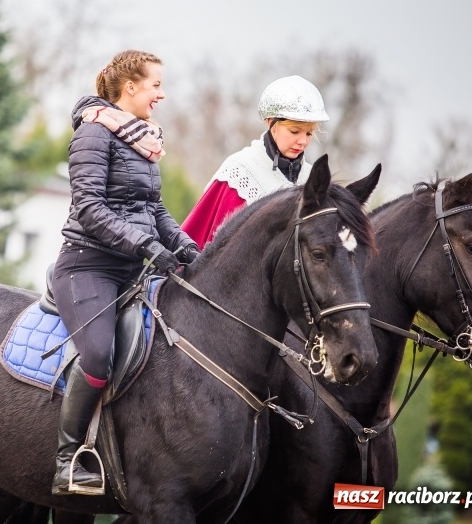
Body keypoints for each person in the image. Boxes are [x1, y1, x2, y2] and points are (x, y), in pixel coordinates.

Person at [50, 49, 200, 495]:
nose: (162, 93)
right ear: (130, 87)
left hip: (134, 266)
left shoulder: (141, 139)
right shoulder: (93, 135)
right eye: (156, 85)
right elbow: (90, 209)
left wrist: (185, 245)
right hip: (88, 265)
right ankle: (67, 459)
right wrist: (147, 245)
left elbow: (153, 208)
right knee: (98, 357)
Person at [181, 75, 329, 248]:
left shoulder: (311, 177)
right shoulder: (241, 169)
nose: (303, 141)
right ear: (271, 123)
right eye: (295, 131)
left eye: (309, 134)